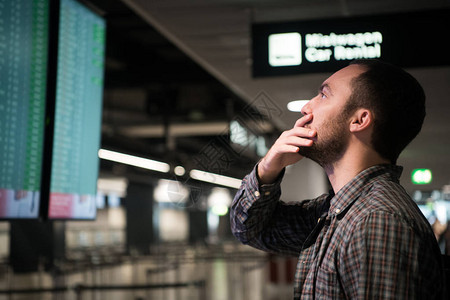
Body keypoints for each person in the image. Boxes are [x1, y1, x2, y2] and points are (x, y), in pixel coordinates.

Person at [230, 59, 445, 299]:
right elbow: (250, 230)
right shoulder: (337, 212)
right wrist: (267, 169)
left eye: (323, 95)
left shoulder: (376, 221)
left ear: (359, 120)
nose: (306, 108)